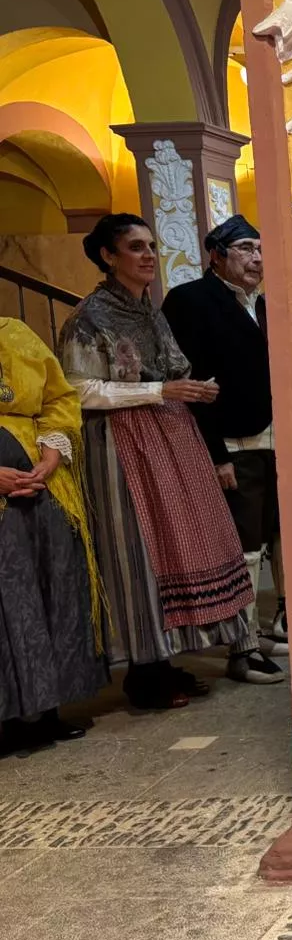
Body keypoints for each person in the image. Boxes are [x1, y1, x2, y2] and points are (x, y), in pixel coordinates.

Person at [58, 214, 258, 710]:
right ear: (108, 256)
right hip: (121, 443)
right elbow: (78, 388)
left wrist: (190, 386)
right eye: (134, 247)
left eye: (151, 245)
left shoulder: (149, 311)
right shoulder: (90, 317)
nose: (148, 255)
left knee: (175, 545)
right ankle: (143, 671)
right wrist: (159, 389)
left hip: (169, 435)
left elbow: (173, 365)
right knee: (137, 549)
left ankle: (167, 659)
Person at [161, 214, 286, 684]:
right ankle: (243, 647)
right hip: (234, 441)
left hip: (275, 439)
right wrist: (216, 454)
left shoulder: (264, 304)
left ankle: (265, 627)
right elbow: (193, 380)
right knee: (245, 546)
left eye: (259, 249)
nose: (257, 259)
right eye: (246, 249)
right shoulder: (191, 301)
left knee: (277, 538)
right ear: (216, 254)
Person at [0, 317, 102, 753]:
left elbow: (59, 398)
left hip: (43, 485)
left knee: (51, 588)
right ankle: (8, 718)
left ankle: (47, 709)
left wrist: (50, 453)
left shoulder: (13, 332)